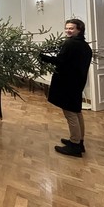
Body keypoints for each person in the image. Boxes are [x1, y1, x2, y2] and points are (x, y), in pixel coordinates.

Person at [40, 19, 92, 157]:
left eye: (72, 28)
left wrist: (42, 57)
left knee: (70, 113)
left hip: (68, 83)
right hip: (77, 82)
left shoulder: (70, 43)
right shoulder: (85, 46)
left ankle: (74, 145)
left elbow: (60, 61)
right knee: (77, 111)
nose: (69, 30)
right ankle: (79, 142)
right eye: (67, 28)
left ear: (79, 30)